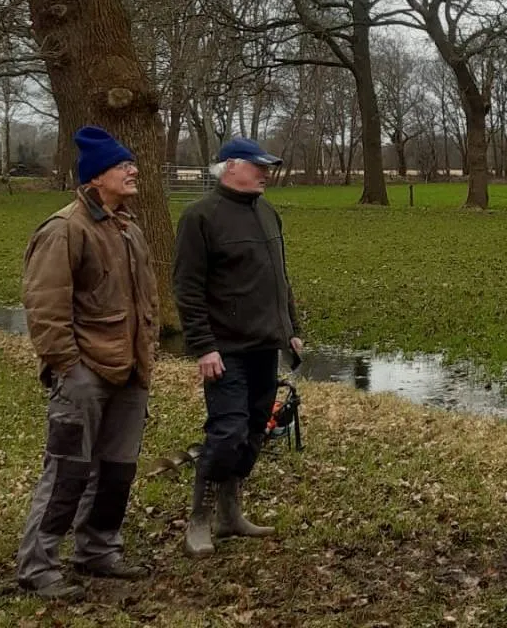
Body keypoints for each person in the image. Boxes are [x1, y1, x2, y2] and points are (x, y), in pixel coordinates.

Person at [18, 126, 158, 600]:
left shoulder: (131, 229)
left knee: (118, 471)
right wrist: (70, 368)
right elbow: (45, 307)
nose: (134, 171)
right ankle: (37, 566)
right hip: (84, 376)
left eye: (132, 163)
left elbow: (147, 303)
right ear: (98, 177)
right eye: (124, 166)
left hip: (130, 373)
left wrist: (145, 361)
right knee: (67, 473)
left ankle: (98, 551)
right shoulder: (64, 230)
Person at [174, 137, 303, 558]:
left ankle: (231, 514)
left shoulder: (268, 213)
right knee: (226, 432)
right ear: (231, 166)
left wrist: (291, 329)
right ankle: (199, 519)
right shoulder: (200, 217)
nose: (266, 173)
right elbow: (188, 290)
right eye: (258, 166)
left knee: (252, 432)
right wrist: (203, 347)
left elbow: (280, 278)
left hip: (265, 344)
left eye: (267, 166)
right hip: (224, 349)